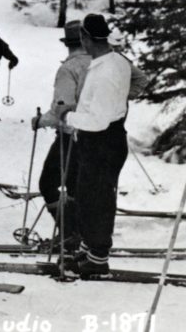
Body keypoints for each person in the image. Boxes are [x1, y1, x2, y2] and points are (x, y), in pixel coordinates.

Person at [51, 14, 130, 279]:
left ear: (85, 38)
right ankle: (89, 249)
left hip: (102, 141)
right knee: (87, 197)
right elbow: (100, 106)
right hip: (102, 140)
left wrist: (67, 116)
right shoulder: (113, 62)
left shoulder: (106, 71)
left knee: (97, 201)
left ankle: (98, 259)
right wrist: (77, 108)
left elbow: (97, 120)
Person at [32, 21, 88, 252]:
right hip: (93, 135)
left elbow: (61, 109)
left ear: (68, 44)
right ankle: (78, 234)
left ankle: (68, 234)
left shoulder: (69, 69)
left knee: (48, 183)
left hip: (70, 135)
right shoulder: (100, 63)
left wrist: (40, 121)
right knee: (75, 185)